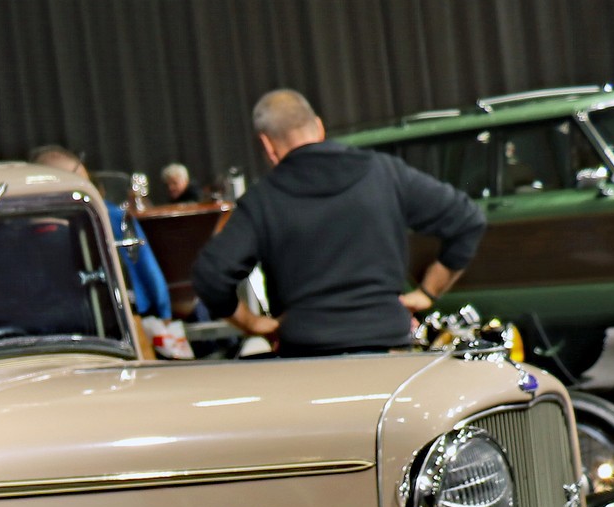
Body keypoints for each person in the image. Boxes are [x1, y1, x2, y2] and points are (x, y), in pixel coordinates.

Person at [190, 88, 485, 357]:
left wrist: (254, 324)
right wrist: (427, 292)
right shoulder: (383, 172)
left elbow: (210, 276)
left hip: (309, 356)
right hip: (388, 349)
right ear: (319, 126)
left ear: (267, 145)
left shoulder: (263, 199)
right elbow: (467, 219)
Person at [31, 145, 172, 324]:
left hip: (122, 312)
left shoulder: (113, 216)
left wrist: (163, 313)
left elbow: (145, 263)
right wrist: (164, 312)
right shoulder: (112, 215)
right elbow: (148, 267)